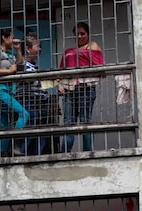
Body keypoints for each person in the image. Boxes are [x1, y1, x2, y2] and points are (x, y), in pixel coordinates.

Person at [57, 22, 103, 152]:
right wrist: (59, 84)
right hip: (69, 89)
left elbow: (98, 64)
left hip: (86, 88)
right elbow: (61, 71)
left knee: (85, 122)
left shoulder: (93, 47)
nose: (79, 36)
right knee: (68, 122)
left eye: (82, 33)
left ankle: (88, 153)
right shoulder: (68, 52)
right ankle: (64, 153)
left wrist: (88, 48)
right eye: (77, 34)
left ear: (88, 34)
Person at [0, 28, 28, 157]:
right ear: (4, 37)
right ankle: (16, 145)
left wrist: (18, 49)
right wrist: (8, 72)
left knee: (5, 124)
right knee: (24, 114)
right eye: (11, 37)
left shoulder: (10, 55)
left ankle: (3, 153)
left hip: (8, 92)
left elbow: (20, 67)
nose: (13, 39)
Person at [16, 33, 51, 154]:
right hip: (28, 100)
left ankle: (35, 157)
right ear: (28, 49)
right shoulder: (23, 64)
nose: (39, 49)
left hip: (38, 102)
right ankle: (22, 154)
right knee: (32, 127)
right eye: (37, 45)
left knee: (41, 132)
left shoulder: (33, 66)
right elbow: (28, 80)